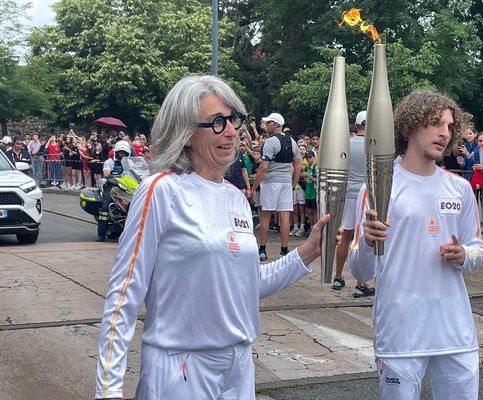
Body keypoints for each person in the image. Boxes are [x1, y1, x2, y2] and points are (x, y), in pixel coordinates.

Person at [95, 75, 330, 400]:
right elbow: (124, 295)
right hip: (181, 369)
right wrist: (107, 391)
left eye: (233, 119)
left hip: (238, 368)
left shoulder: (235, 197)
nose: (232, 131)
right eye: (218, 122)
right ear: (186, 132)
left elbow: (245, 283)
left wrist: (306, 252)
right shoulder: (161, 191)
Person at [349, 90, 483, 399]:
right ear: (409, 126)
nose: (444, 132)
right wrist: (369, 241)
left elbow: (478, 249)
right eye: (435, 123)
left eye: (450, 126)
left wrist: (464, 253)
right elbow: (360, 269)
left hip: (455, 333)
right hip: (401, 334)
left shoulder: (459, 189)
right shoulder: (378, 188)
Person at [332, 110, 376, 297]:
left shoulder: (346, 144)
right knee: (363, 237)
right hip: (367, 194)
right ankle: (361, 282)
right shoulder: (374, 145)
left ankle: (338, 276)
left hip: (348, 193)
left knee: (346, 235)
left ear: (357, 125)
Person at [251, 112, 302, 261]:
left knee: (266, 215)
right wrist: (292, 184)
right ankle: (284, 249)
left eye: (268, 123)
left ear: (275, 124)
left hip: (271, 182)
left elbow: (263, 167)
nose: (266, 126)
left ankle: (263, 249)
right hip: (286, 182)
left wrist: (254, 188)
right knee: (284, 216)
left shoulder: (270, 142)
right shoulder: (292, 142)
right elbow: (298, 166)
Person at [95, 140, 132, 242]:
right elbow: (106, 174)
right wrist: (112, 176)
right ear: (116, 152)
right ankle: (101, 234)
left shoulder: (130, 162)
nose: (122, 154)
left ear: (127, 153)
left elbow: (137, 173)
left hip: (126, 187)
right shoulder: (109, 162)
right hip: (112, 186)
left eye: (124, 153)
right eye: (120, 152)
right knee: (105, 207)